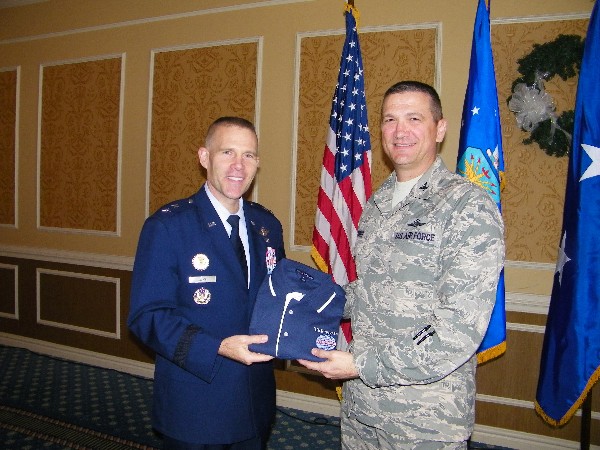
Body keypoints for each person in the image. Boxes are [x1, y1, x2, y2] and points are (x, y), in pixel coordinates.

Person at [298, 81, 505, 449]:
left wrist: (362, 364)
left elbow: (458, 327)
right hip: (364, 410)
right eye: (390, 119)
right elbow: (370, 292)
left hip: (425, 420)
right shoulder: (380, 203)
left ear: (439, 129)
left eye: (414, 118)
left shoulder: (466, 206)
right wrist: (309, 301)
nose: (400, 130)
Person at [128, 116, 285, 449]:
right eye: (227, 152)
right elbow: (147, 317)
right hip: (195, 405)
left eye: (249, 155)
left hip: (254, 403)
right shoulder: (169, 226)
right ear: (204, 157)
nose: (239, 166)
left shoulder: (267, 225)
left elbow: (277, 298)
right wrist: (217, 346)